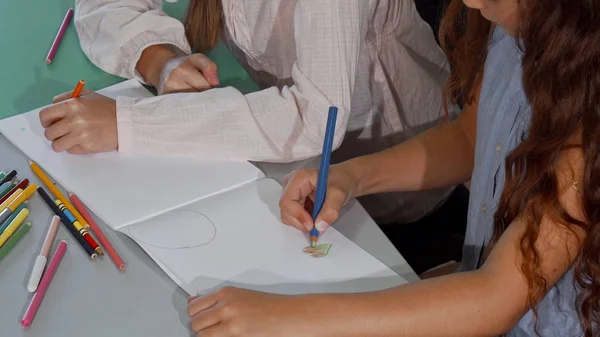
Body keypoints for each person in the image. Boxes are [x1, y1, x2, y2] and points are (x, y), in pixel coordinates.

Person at [186, 0, 600, 336]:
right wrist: (353, 177)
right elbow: (469, 139)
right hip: (476, 283)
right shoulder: (506, 28)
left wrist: (283, 317)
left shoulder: (591, 107)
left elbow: (496, 299)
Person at [39, 0, 462, 264]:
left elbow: (312, 118)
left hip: (393, 189)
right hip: (290, 169)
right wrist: (159, 60)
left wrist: (127, 122)